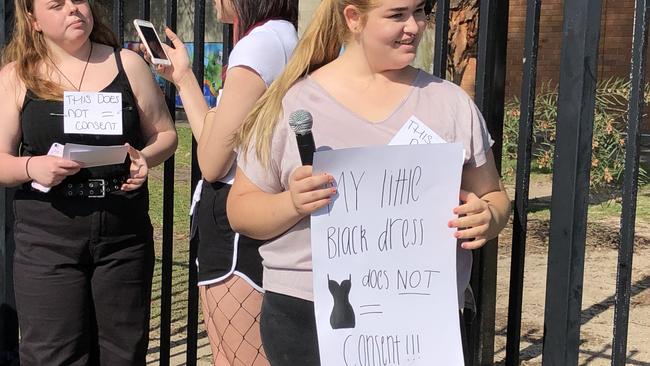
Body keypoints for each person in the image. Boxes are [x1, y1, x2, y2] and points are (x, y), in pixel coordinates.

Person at [227, 0, 511, 364]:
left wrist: (487, 217)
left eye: (420, 11)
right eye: (397, 15)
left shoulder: (449, 103)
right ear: (353, 18)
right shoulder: (292, 103)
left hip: (421, 318)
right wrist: (292, 203)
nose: (415, 26)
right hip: (309, 315)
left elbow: (494, 196)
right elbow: (240, 209)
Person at [0, 0, 177, 364]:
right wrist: (33, 167)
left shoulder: (126, 64)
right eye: (57, 5)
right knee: (53, 355)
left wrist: (147, 158)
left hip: (122, 234)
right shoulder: (18, 76)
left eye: (79, 0)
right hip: (48, 234)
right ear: (33, 20)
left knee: (123, 354)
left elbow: (165, 134)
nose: (73, 9)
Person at [144, 0, 297, 364]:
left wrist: (215, 117)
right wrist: (182, 77)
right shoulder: (282, 37)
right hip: (244, 218)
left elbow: (212, 163)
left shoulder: (258, 44)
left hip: (236, 230)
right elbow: (214, 148)